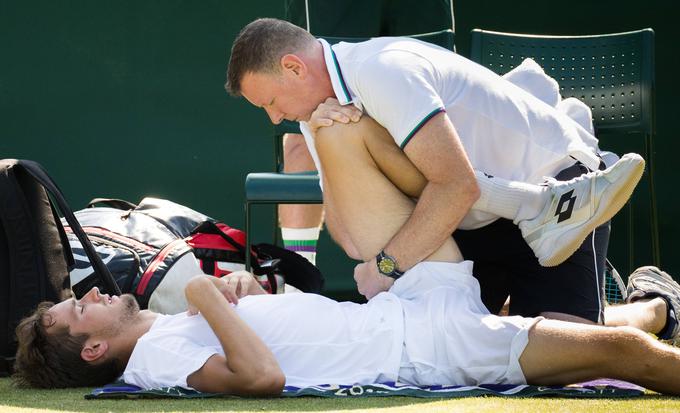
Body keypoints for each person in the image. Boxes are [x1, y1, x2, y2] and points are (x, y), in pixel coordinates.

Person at [11, 123, 680, 395]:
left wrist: (241, 293)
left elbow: (262, 339)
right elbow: (263, 376)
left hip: (398, 302)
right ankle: (648, 305)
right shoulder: (156, 362)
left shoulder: (168, 334)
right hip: (433, 348)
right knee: (626, 358)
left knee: (333, 125)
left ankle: (646, 297)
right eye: (80, 306)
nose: (91, 292)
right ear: (94, 348)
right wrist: (211, 296)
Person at [225, 18, 647, 327]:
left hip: (558, 181)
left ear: (295, 68)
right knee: (463, 341)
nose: (274, 118)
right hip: (465, 219)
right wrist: (327, 142)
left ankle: (654, 308)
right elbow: (350, 237)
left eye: (270, 102)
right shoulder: (318, 118)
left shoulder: (383, 69)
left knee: (565, 357)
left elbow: (456, 185)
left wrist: (387, 267)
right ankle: (536, 223)